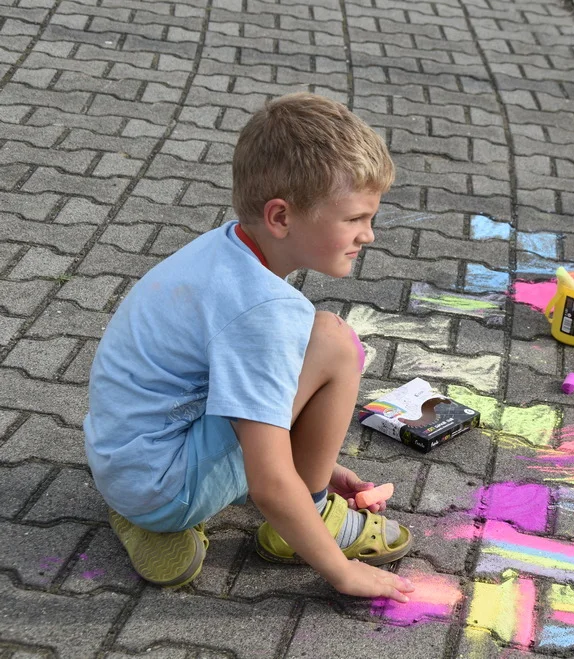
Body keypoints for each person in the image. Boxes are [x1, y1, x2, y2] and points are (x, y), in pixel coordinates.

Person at [84, 93, 415, 602]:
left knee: (315, 343)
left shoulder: (226, 248)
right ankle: (303, 523)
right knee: (334, 342)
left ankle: (140, 513)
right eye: (354, 218)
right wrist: (341, 571)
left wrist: (321, 462)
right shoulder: (263, 311)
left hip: (121, 457)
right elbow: (269, 483)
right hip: (160, 485)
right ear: (281, 216)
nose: (368, 235)